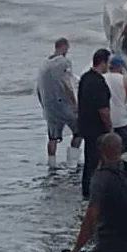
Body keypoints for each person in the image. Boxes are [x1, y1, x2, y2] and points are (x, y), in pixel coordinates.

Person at [35, 38, 81, 168]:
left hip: (49, 107)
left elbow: (38, 88)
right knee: (79, 132)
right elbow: (67, 83)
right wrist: (74, 104)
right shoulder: (64, 62)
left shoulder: (44, 64)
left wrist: (43, 105)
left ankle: (52, 164)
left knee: (52, 138)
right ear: (64, 47)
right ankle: (72, 163)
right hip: (64, 105)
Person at [76, 49, 113, 199]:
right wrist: (110, 128)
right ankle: (93, 192)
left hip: (85, 124)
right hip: (97, 127)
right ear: (103, 62)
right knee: (96, 160)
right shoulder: (99, 82)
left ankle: (87, 189)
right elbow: (103, 109)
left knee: (89, 160)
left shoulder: (85, 78)